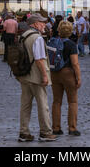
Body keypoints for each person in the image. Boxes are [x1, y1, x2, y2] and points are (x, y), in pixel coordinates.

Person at [17, 14, 57, 142]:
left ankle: (24, 132)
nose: (44, 25)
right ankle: (45, 132)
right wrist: (45, 76)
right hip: (36, 76)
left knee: (25, 105)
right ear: (34, 24)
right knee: (42, 104)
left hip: (24, 75)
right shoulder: (37, 38)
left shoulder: (22, 36)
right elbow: (40, 59)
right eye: (42, 22)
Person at [51, 21, 82, 136]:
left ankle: (56, 127)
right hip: (67, 73)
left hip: (54, 73)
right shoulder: (71, 44)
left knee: (56, 101)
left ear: (59, 30)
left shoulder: (53, 41)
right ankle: (72, 128)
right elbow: (75, 63)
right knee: (72, 101)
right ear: (70, 31)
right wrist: (78, 77)